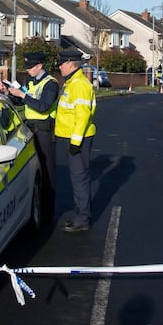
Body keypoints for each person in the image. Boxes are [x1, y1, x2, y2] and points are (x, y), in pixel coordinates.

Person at [0, 52, 59, 223]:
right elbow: (20, 102)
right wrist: (9, 93)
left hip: (45, 131)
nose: (28, 70)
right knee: (33, 170)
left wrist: (22, 95)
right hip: (30, 129)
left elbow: (43, 106)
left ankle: (48, 214)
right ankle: (35, 208)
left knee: (47, 172)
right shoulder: (30, 81)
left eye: (31, 67)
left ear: (40, 65)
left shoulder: (51, 84)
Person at [54, 47, 96, 232]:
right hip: (70, 136)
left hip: (77, 139)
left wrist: (75, 142)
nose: (59, 67)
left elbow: (82, 116)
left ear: (70, 64)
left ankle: (82, 220)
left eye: (61, 64)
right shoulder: (73, 82)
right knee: (77, 179)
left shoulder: (79, 85)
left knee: (79, 180)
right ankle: (80, 215)